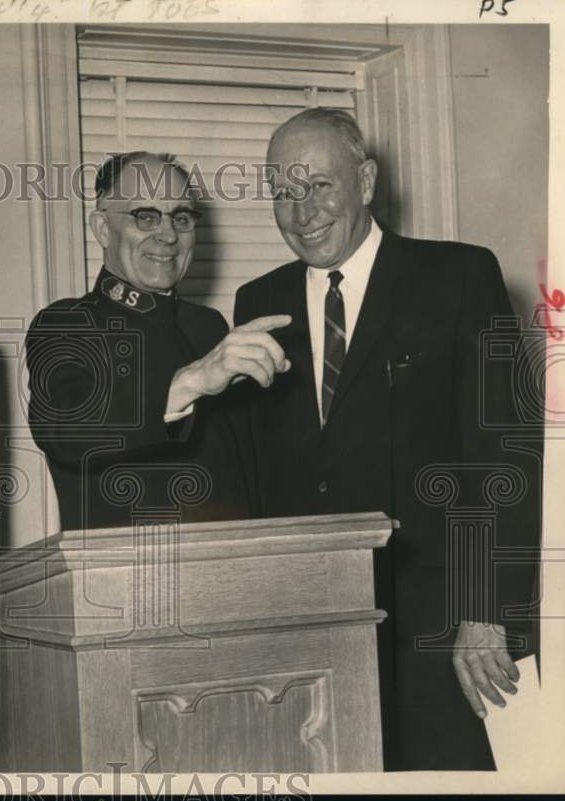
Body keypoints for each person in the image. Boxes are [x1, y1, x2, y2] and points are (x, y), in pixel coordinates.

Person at [231, 107, 541, 770]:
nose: (300, 210)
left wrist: (484, 611)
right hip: (313, 643)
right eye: (282, 191)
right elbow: (263, 480)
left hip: (446, 638)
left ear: (366, 181)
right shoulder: (257, 302)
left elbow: (504, 454)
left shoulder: (459, 277)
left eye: (318, 185)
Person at [26, 151, 291, 531]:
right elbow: (67, 431)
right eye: (145, 216)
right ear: (102, 228)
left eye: (181, 218)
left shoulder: (210, 326)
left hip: (236, 573)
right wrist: (189, 383)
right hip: (125, 580)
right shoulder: (66, 324)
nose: (168, 235)